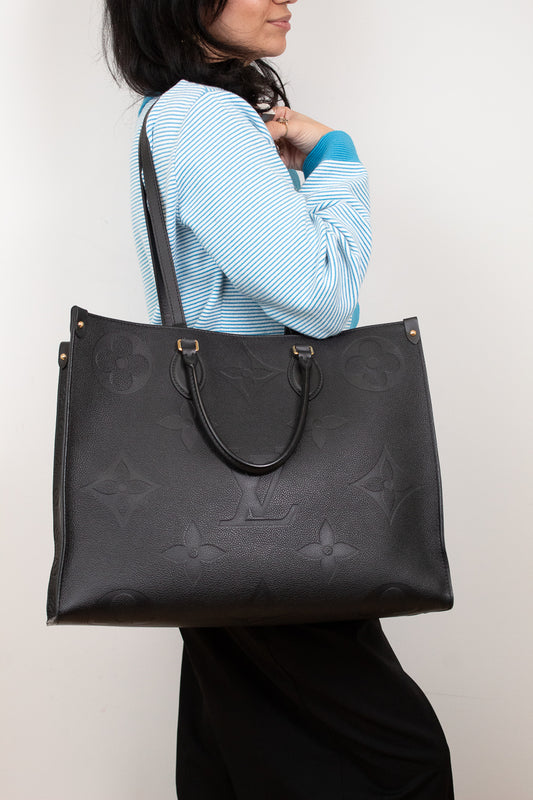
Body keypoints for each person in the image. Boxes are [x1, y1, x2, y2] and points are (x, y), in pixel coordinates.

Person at [103, 1, 455, 797]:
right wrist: (335, 161)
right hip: (268, 497)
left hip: (212, 496)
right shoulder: (207, 115)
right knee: (395, 760)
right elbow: (321, 299)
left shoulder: (174, 116)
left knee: (240, 753)